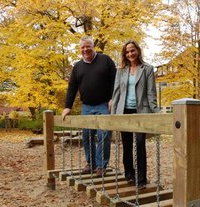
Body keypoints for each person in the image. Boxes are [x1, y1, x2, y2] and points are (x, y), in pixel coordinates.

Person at [62, 36, 116, 177]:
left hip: (104, 105)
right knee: (87, 136)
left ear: (93, 47)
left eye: (88, 46)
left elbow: (116, 81)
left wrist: (112, 98)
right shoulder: (77, 67)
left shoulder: (106, 60)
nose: (85, 49)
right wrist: (68, 106)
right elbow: (72, 87)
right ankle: (91, 163)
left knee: (103, 135)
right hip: (86, 107)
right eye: (82, 47)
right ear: (80, 49)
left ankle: (101, 166)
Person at [111, 40, 158, 189]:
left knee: (139, 144)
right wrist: (113, 114)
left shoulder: (147, 69)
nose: (130, 54)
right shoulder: (121, 70)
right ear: (125, 54)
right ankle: (129, 174)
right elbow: (117, 92)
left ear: (138, 50)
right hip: (124, 111)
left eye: (132, 50)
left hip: (141, 111)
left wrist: (156, 111)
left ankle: (141, 179)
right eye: (127, 51)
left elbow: (151, 93)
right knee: (126, 145)